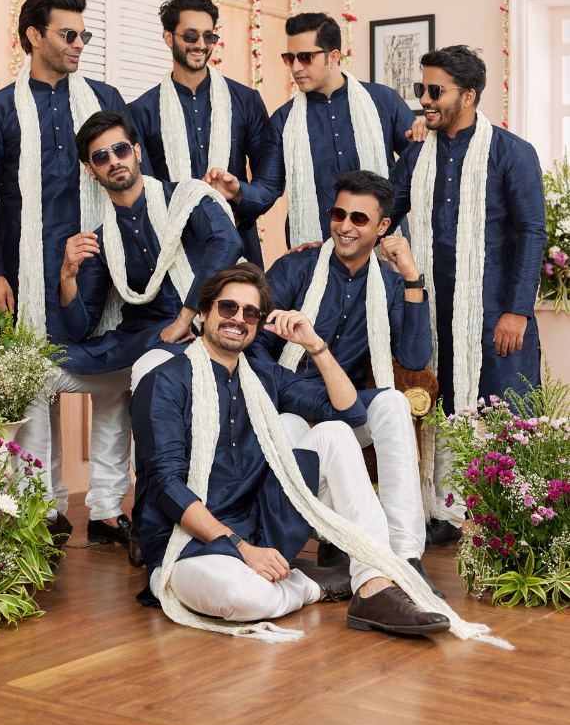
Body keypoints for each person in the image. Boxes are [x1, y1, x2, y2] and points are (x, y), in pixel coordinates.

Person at [131, 262, 455, 642]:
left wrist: (315, 346)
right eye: (227, 307)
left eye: (250, 312)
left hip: (258, 522)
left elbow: (349, 410)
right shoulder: (165, 382)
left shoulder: (264, 377)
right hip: (188, 544)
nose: (238, 319)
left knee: (334, 433)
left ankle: (373, 584)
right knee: (241, 597)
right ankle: (312, 585)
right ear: (202, 314)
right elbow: (167, 485)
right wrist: (242, 549)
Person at [21, 110, 243, 558]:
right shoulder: (104, 238)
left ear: (136, 151)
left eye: (121, 149)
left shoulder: (186, 199)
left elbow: (227, 244)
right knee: (31, 372)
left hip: (192, 343)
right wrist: (67, 274)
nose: (114, 161)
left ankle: (146, 518)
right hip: (134, 342)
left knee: (149, 370)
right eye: (101, 157)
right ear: (91, 169)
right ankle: (39, 511)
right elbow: (79, 326)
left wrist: (184, 317)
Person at [0, 0, 136, 537]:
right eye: (68, 34)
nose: (79, 43)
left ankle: (109, 507)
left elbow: (135, 181)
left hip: (101, 269)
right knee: (35, 385)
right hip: (29, 274)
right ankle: (45, 509)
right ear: (34, 36)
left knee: (114, 383)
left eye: (84, 34)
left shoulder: (105, 100)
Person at [251, 169, 439, 592]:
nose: (345, 226)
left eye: (359, 219)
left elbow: (412, 356)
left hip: (345, 405)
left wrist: (411, 276)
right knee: (289, 430)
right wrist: (290, 390)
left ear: (383, 227)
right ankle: (346, 544)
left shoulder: (390, 283)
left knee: (391, 403)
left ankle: (406, 557)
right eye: (339, 214)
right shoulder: (296, 268)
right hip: (287, 404)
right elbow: (253, 343)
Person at [389, 45, 547, 544]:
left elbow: (531, 233)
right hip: (435, 312)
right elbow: (385, 209)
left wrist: (517, 311)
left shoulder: (511, 152)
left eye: (436, 91)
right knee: (441, 407)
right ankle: (447, 513)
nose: (425, 100)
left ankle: (521, 522)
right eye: (421, 90)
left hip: (495, 311)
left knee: (508, 414)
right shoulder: (417, 155)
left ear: (469, 95)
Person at [128, 0, 283, 266]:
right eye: (190, 36)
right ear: (168, 38)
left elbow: (270, 183)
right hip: (170, 256)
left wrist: (237, 194)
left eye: (208, 37)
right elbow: (143, 191)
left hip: (238, 250)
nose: (200, 45)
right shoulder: (141, 111)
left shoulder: (246, 101)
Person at [270, 12, 424, 248]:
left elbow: (421, 166)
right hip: (315, 249)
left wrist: (429, 133)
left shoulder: (382, 101)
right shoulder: (284, 119)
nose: (296, 67)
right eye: (289, 58)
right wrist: (238, 191)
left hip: (383, 247)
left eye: (305, 57)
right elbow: (268, 186)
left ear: (333, 57)